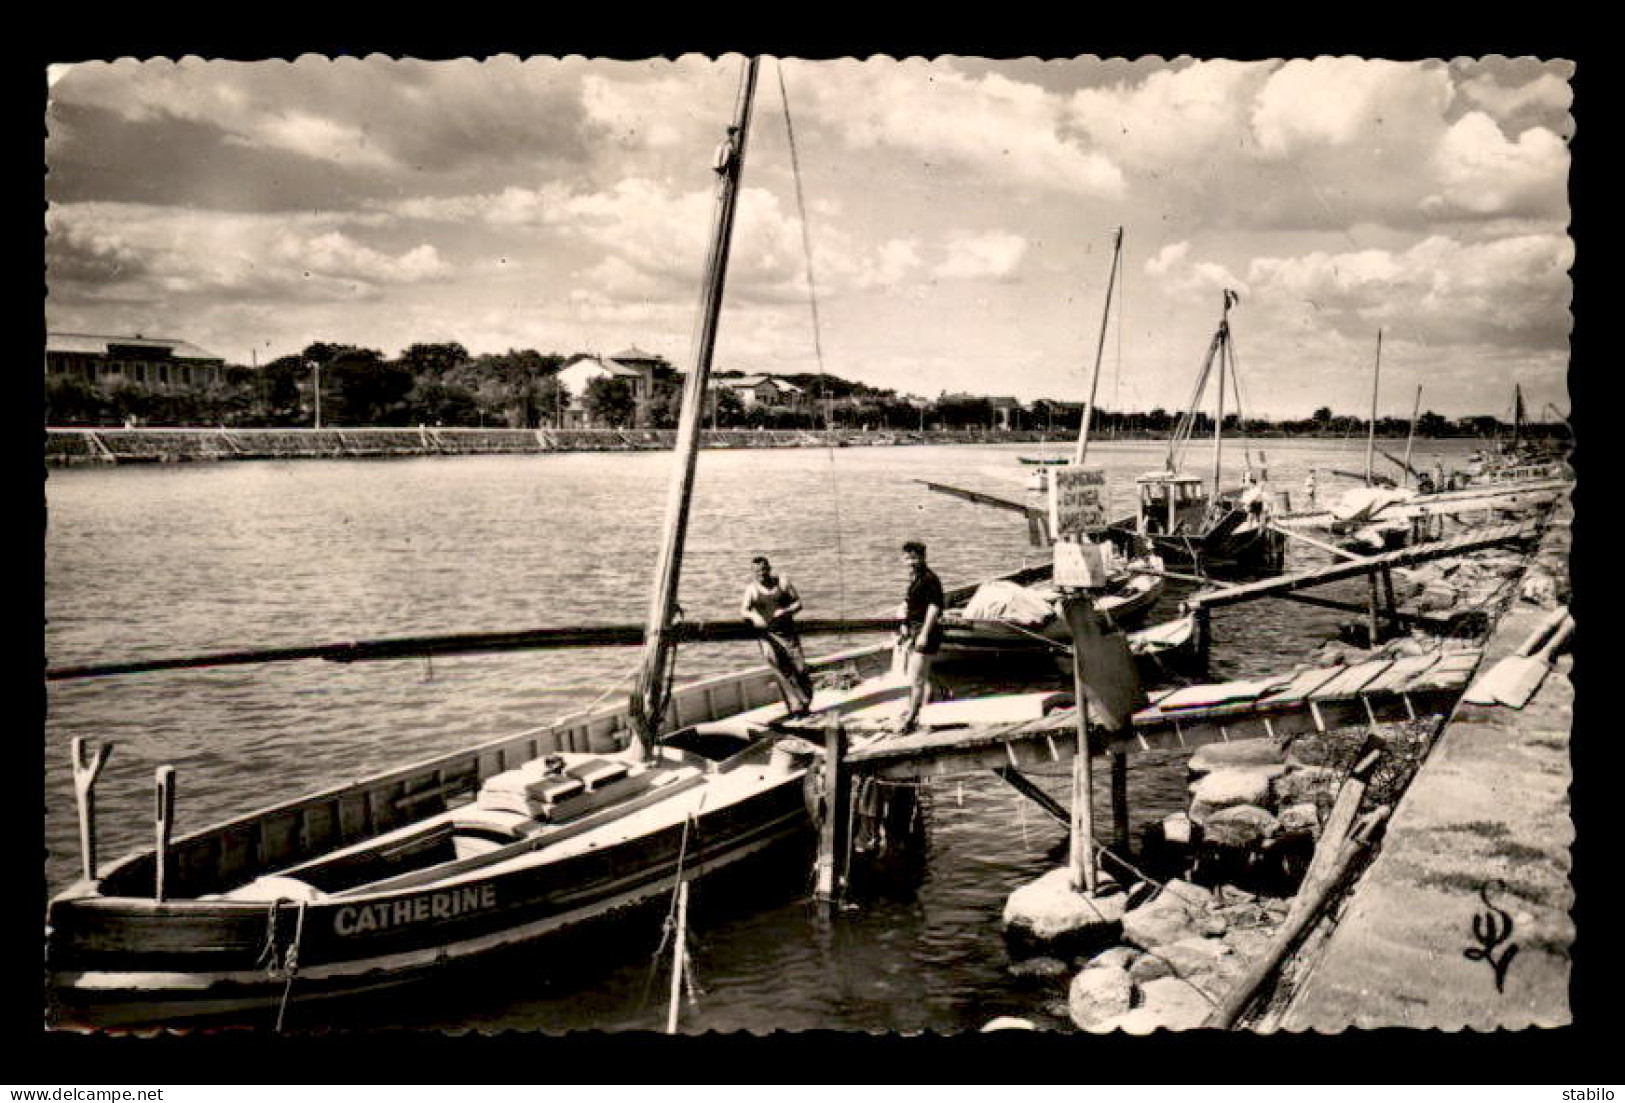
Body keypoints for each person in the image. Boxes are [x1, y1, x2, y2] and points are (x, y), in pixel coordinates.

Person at [741, 555, 814, 717]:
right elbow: (744, 610)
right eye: (758, 571)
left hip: (789, 634)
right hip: (768, 636)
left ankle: (806, 703)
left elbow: (798, 604)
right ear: (753, 572)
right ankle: (795, 709)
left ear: (770, 568)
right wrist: (754, 616)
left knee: (800, 669)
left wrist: (786, 611)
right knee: (782, 672)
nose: (762, 574)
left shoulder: (783, 582)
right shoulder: (751, 590)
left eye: (764, 570)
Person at [894, 540, 945, 735]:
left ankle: (910, 719)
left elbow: (934, 607)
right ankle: (928, 716)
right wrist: (905, 624)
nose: (910, 561)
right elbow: (912, 605)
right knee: (925, 676)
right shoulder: (915, 578)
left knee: (916, 678)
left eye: (914, 557)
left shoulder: (929, 578)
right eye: (907, 557)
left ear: (923, 557)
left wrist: (924, 634)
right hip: (915, 629)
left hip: (926, 631)